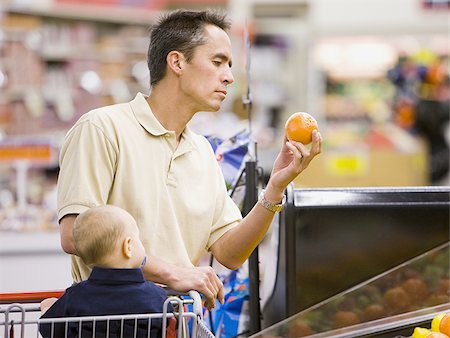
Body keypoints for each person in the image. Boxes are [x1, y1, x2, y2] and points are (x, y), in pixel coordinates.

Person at [57, 9, 322, 310]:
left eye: (230, 65)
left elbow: (230, 253)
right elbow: (74, 235)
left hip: (177, 322)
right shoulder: (102, 129)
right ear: (177, 62)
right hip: (108, 322)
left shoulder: (202, 152)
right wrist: (171, 273)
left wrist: (275, 188)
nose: (230, 77)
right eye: (218, 61)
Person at [40, 205, 173, 338]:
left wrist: (47, 308)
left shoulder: (75, 296)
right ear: (128, 246)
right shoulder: (156, 296)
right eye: (138, 239)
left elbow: (49, 329)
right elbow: (171, 324)